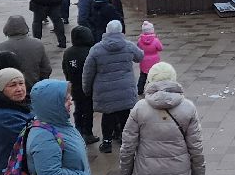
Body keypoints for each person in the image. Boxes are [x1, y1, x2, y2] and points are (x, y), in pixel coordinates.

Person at [120, 61, 205, 175]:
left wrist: (127, 168)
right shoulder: (187, 107)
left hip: (147, 172)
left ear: (150, 80)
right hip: (177, 171)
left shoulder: (140, 108)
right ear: (173, 79)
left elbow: (128, 144)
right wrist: (198, 170)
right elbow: (195, 145)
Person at [25, 79, 96, 175]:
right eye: (65, 99)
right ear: (51, 104)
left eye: (69, 96)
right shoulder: (43, 136)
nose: (70, 101)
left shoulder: (60, 124)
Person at [83, 19, 144, 155]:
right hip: (125, 89)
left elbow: (88, 72)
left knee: (107, 116)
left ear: (107, 31)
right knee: (125, 115)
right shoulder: (128, 46)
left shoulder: (97, 49)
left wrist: (87, 89)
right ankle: (124, 139)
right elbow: (140, 56)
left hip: (105, 91)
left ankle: (107, 142)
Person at [0, 15, 52, 92]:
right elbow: (46, 69)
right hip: (34, 86)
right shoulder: (37, 44)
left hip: (11, 89)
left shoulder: (2, 47)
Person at [62, 25, 97, 143]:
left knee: (78, 109)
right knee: (88, 110)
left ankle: (78, 130)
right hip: (88, 87)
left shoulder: (68, 52)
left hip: (74, 86)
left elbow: (65, 68)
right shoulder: (90, 51)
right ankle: (88, 133)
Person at [134, 21, 163, 96]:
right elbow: (160, 48)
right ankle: (151, 90)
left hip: (144, 61)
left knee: (143, 76)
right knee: (153, 77)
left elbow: (138, 48)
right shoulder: (155, 40)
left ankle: (139, 90)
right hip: (154, 62)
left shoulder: (140, 40)